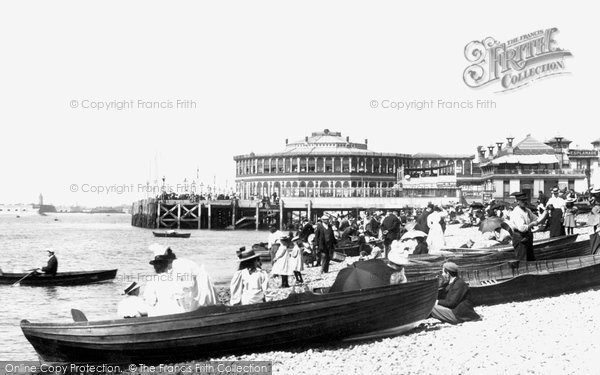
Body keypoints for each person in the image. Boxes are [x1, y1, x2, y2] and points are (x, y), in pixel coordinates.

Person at [508, 192, 549, 261]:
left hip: (528, 236)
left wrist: (546, 212)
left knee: (530, 258)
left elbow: (537, 219)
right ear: (518, 201)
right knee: (522, 259)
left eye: (525, 200)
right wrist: (533, 224)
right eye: (522, 200)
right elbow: (522, 228)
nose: (524, 202)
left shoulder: (528, 210)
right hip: (520, 237)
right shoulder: (516, 212)